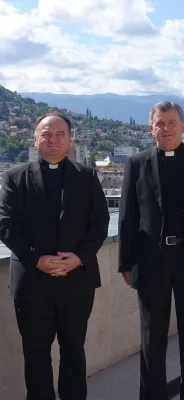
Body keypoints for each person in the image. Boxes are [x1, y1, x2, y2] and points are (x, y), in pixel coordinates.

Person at [0, 112, 109, 400]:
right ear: (35, 140)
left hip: (76, 281)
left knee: (74, 351)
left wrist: (79, 257)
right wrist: (37, 259)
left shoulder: (87, 177)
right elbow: (5, 223)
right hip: (32, 283)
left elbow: (99, 223)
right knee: (35, 355)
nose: (53, 139)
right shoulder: (13, 177)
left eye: (60, 134)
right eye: (46, 134)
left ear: (70, 140)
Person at [118, 101, 184, 400]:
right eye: (159, 124)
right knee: (152, 339)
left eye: (171, 123)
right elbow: (127, 216)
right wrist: (126, 263)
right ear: (151, 128)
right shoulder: (137, 163)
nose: (166, 129)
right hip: (151, 263)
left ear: (183, 127)